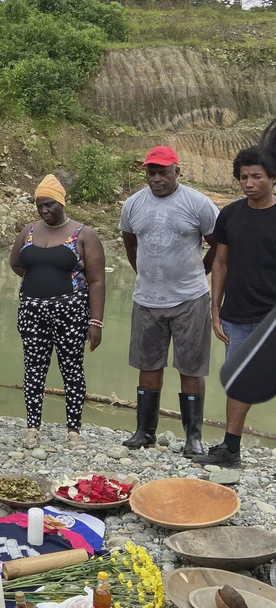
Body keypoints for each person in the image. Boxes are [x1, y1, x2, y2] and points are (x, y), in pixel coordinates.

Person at [120, 147, 218, 456]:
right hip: (147, 300)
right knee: (148, 365)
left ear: (177, 171)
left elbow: (218, 244)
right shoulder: (133, 205)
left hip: (190, 298)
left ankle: (193, 437)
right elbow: (130, 242)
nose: (157, 178)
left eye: (164, 171)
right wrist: (146, 275)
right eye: (152, 172)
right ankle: (144, 432)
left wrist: (202, 271)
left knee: (191, 368)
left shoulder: (198, 203)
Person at [194, 122, 276, 468]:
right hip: (237, 316)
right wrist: (215, 309)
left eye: (256, 176)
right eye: (243, 177)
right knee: (239, 381)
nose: (248, 183)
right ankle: (231, 448)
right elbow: (221, 263)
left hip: (271, 319)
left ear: (272, 178)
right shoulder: (229, 215)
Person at [10, 175, 106, 449]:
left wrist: (95, 321)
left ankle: (73, 430)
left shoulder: (84, 234)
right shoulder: (28, 231)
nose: (43, 211)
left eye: (49, 204)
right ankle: (32, 427)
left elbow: (97, 280)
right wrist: (39, 277)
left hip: (71, 314)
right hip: (31, 313)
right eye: (39, 205)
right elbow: (16, 263)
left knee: (72, 369)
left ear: (62, 202)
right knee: (33, 369)